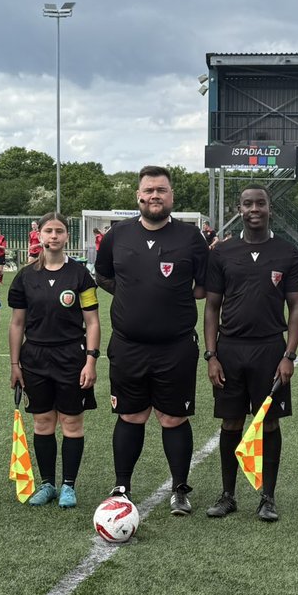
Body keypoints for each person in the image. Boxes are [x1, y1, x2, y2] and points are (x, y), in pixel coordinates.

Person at [94, 166, 209, 514]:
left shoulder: (190, 237)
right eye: (148, 190)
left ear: (171, 196)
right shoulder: (118, 235)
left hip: (175, 346)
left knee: (173, 418)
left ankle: (180, 489)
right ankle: (121, 485)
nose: (154, 195)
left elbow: (203, 286)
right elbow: (104, 276)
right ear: (138, 196)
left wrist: (168, 298)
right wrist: (135, 296)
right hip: (129, 345)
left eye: (161, 190)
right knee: (130, 415)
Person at [202, 185, 298, 522]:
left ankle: (268, 497)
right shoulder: (222, 253)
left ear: (269, 208)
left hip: (269, 349)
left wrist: (289, 355)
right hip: (230, 350)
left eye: (260, 203)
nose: (254, 209)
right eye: (247, 204)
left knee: (269, 422)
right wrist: (211, 355)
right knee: (230, 421)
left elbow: (296, 309)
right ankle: (228, 495)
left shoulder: (288, 253)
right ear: (239, 208)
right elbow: (211, 308)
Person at [8, 212, 101, 508]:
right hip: (34, 357)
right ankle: (47, 483)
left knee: (72, 423)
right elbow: (16, 324)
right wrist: (14, 364)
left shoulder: (80, 275)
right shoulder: (25, 276)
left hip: (71, 356)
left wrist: (91, 360)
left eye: (59, 231)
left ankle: (68, 486)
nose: (54, 236)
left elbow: (94, 322)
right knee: (43, 421)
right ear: (39, 235)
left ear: (67, 237)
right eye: (48, 231)